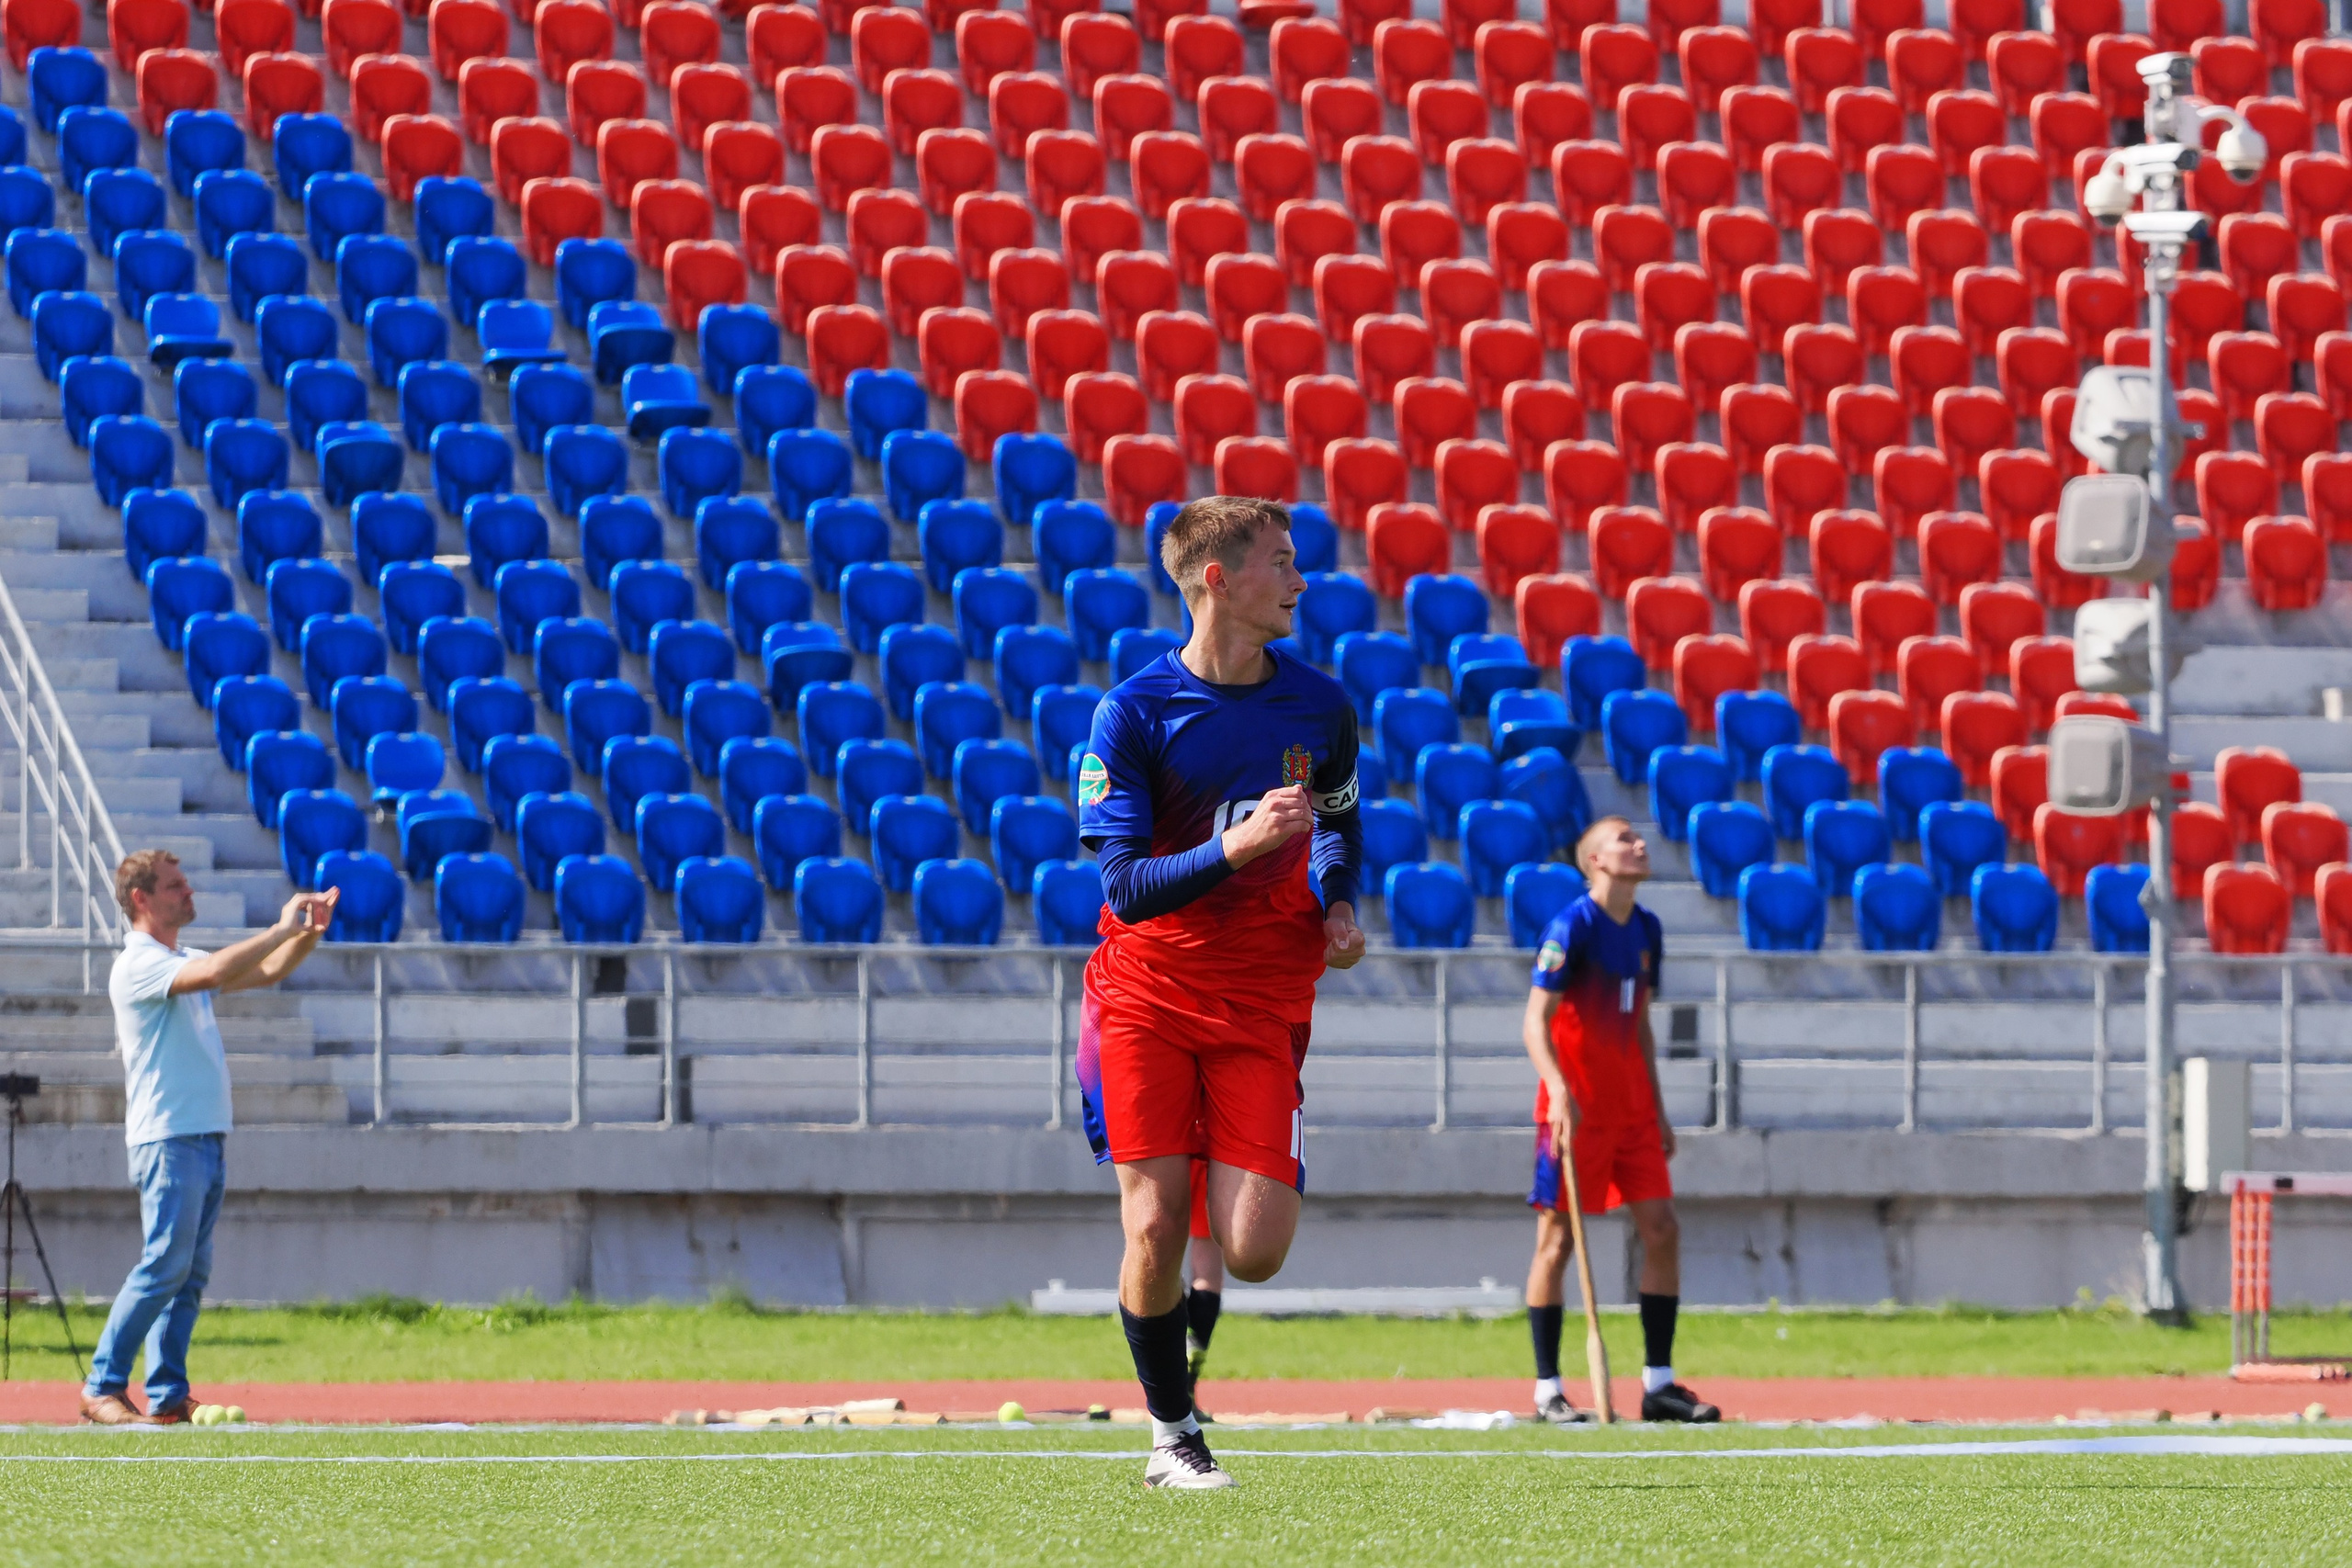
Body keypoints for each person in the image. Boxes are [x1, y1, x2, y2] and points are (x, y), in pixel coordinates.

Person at [1074, 495, 1364, 1489]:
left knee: (1254, 1251)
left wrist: (1336, 900)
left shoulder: (1320, 708)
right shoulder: (1132, 713)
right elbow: (1123, 886)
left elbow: (1337, 821)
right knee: (1155, 1225)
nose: (1299, 580)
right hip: (1146, 995)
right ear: (1217, 578)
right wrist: (1236, 846)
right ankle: (1172, 1436)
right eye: (1280, 562)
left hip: (1265, 999)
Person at [79, 852, 337, 1426]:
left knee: (187, 1275)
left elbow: (267, 971)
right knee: (163, 1267)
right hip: (167, 1137)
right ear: (142, 898)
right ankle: (102, 1387)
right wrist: (280, 926)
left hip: (201, 1135)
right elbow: (219, 972)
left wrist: (308, 933)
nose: (188, 892)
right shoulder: (137, 963)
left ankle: (167, 1395)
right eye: (175, 885)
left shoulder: (178, 958)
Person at [1521, 817, 1719, 1427]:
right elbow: (1534, 1022)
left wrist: (1657, 1107)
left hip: (1631, 1111)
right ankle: (1548, 1389)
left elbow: (1641, 1026)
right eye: (1625, 839)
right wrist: (1558, 1089)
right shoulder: (1571, 927)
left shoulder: (1648, 928)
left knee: (1663, 1230)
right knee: (1557, 1242)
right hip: (1575, 1111)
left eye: (1639, 837)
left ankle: (1658, 1384)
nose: (1639, 844)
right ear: (1595, 861)